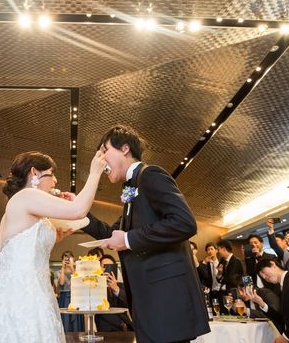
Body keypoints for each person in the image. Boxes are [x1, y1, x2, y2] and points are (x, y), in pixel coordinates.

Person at [82, 125, 210, 342]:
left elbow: (185, 222)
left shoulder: (151, 174)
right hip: (149, 305)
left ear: (125, 149)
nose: (101, 159)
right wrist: (79, 215)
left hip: (167, 304)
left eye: (104, 151)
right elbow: (113, 233)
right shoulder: (131, 187)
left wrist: (128, 239)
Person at [0, 150, 106, 343]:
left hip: (20, 293)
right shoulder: (27, 195)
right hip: (27, 296)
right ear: (34, 173)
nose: (55, 181)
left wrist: (54, 237)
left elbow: (10, 248)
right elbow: (79, 210)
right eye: (51, 174)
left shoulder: (13, 207)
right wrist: (95, 173)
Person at [95, 255, 133, 332]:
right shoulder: (95, 287)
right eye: (104, 267)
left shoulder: (121, 286)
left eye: (110, 266)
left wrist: (116, 289)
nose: (107, 270)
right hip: (105, 326)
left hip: (125, 327)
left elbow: (129, 304)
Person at [56, 250, 83, 332]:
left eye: (69, 258)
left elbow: (79, 282)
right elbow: (61, 283)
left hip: (76, 298)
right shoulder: (59, 272)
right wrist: (63, 268)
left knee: (76, 324)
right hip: (64, 299)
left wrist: (72, 268)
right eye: (65, 258)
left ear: (73, 259)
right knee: (65, 321)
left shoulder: (78, 272)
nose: (67, 260)